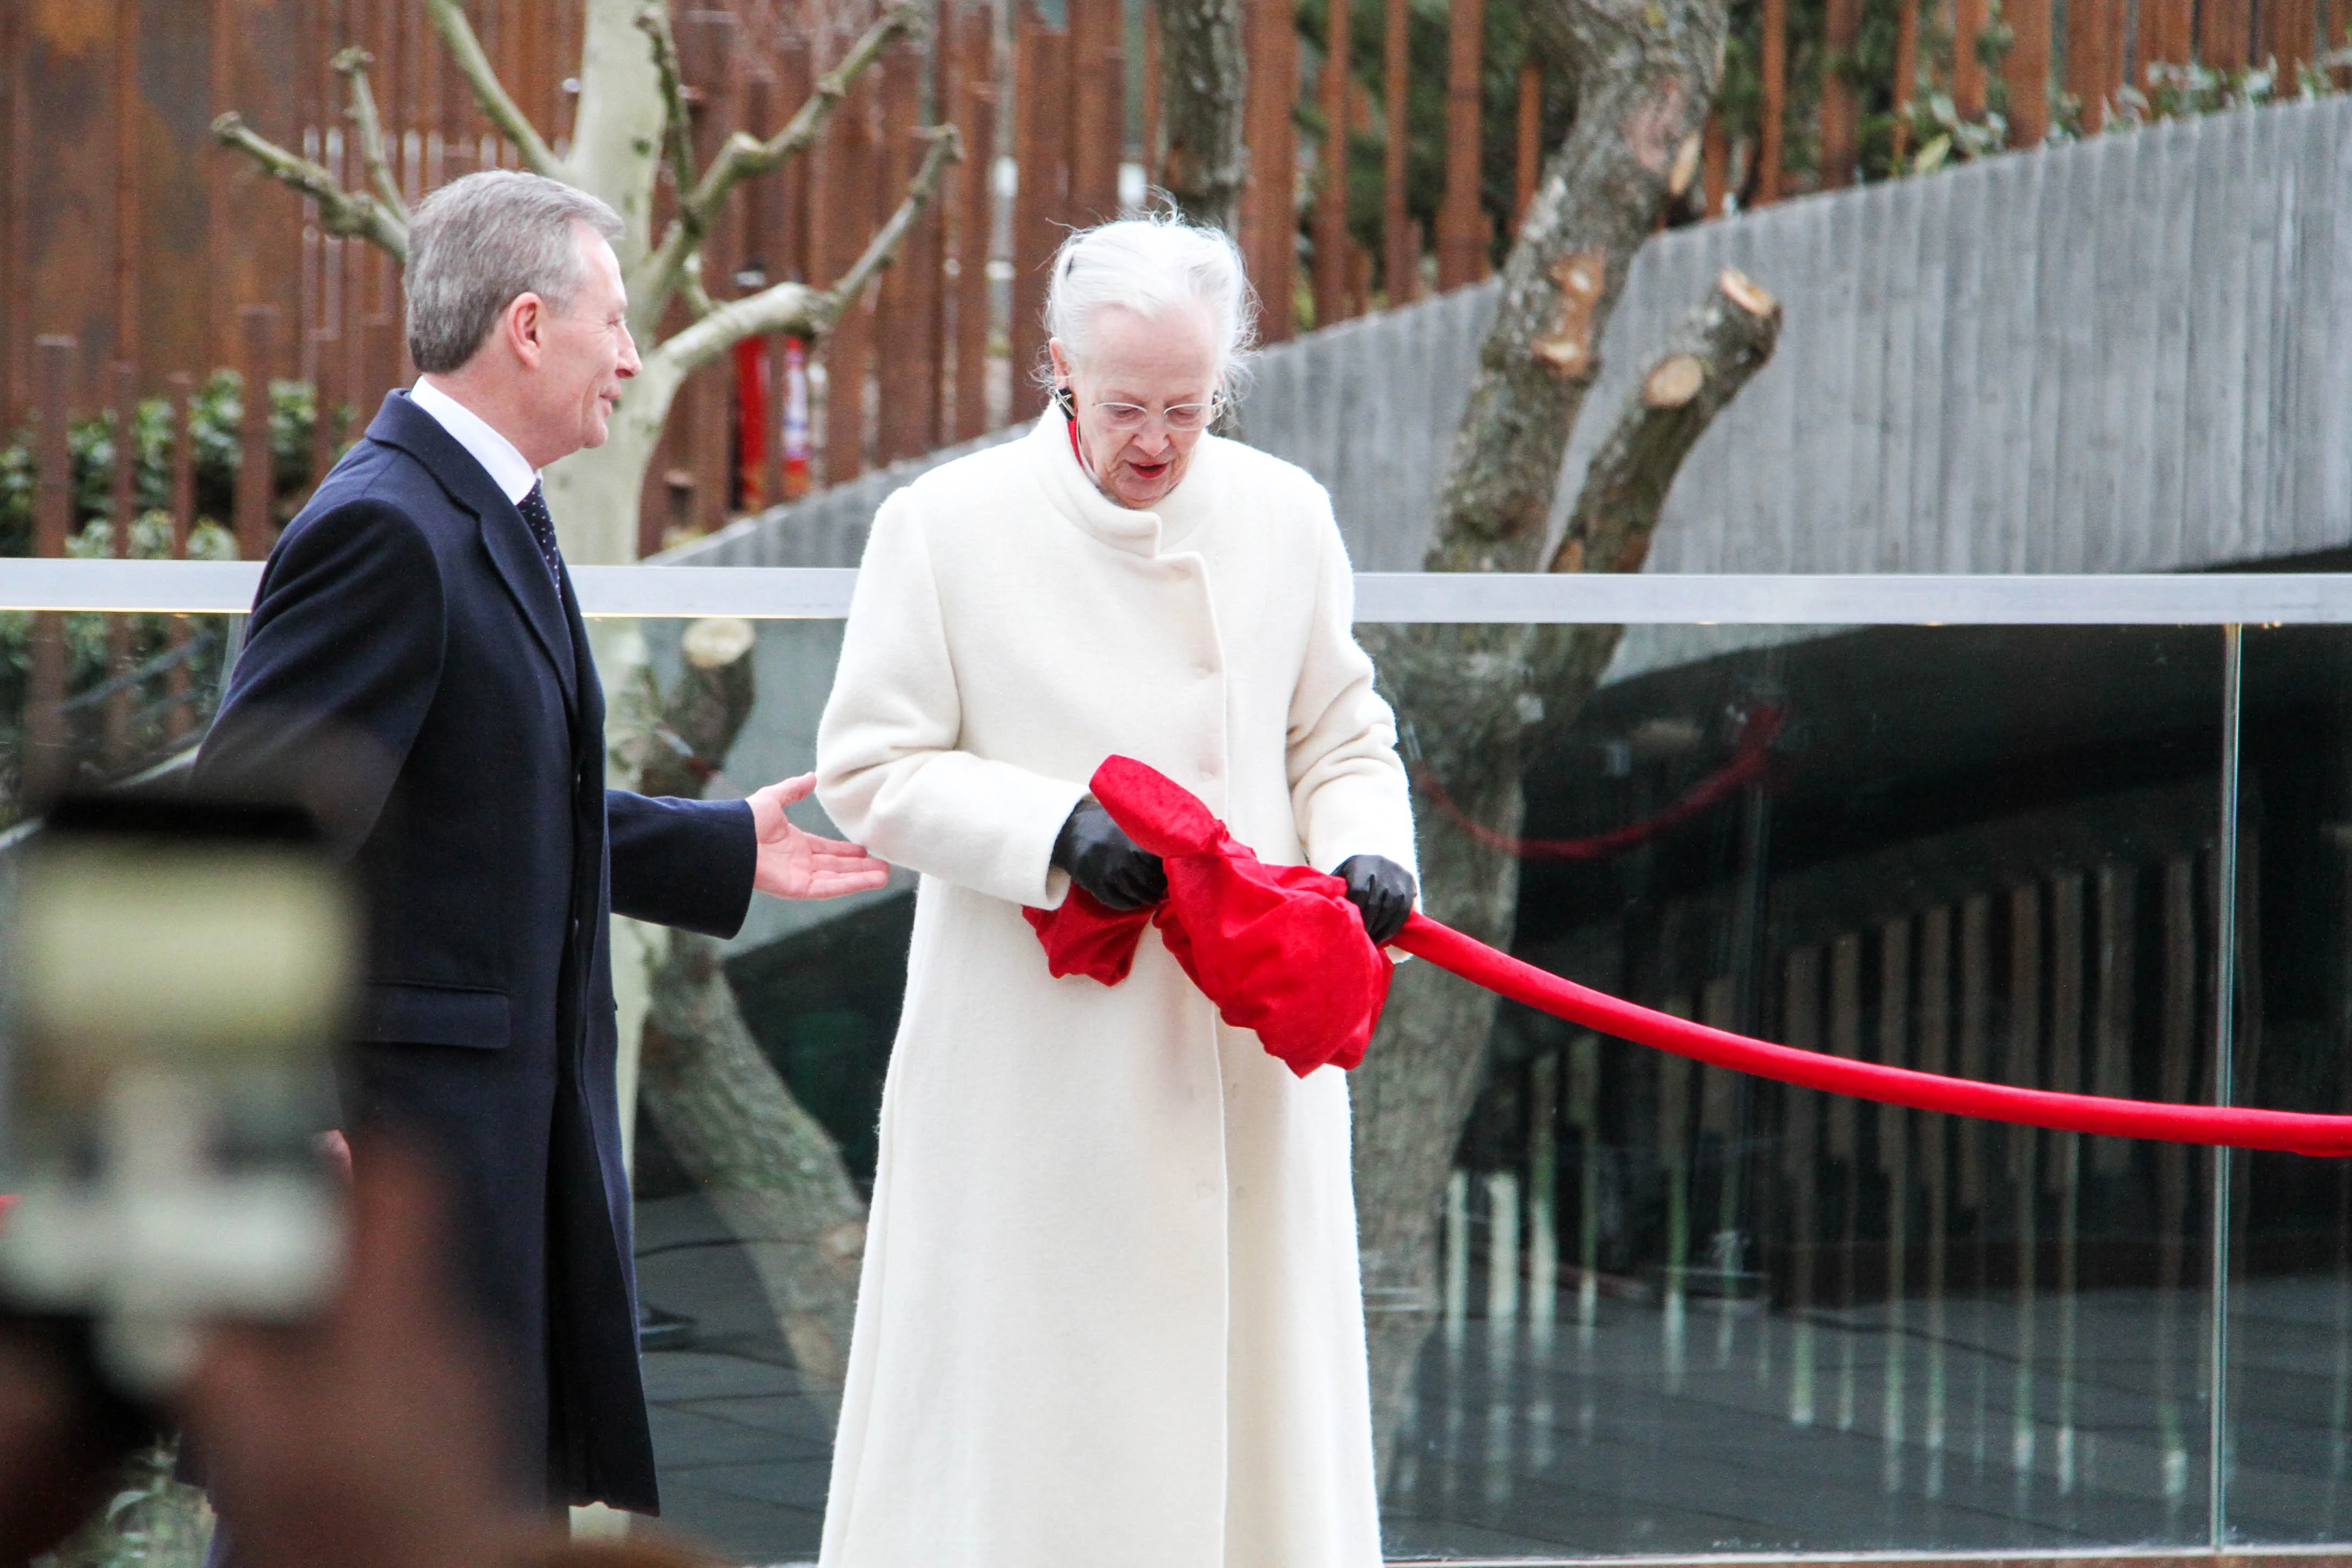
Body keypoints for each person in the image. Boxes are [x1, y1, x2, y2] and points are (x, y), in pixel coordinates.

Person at [191, 170, 889, 1523]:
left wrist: (718, 850)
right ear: (525, 324)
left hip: (486, 1162)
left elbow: (493, 796)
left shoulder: (480, 509)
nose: (632, 355)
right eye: (614, 321)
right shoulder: (387, 528)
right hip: (400, 1177)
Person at [813, 213, 1420, 1566]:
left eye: (1188, 410)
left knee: (1248, 1432)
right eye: (1125, 404)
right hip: (1039, 1074)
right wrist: (1051, 828)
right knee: (1032, 1436)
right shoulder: (943, 525)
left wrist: (1362, 847)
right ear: (1056, 368)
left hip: (1234, 1066)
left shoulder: (1283, 515)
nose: (1154, 441)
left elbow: (1341, 734)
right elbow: (867, 767)